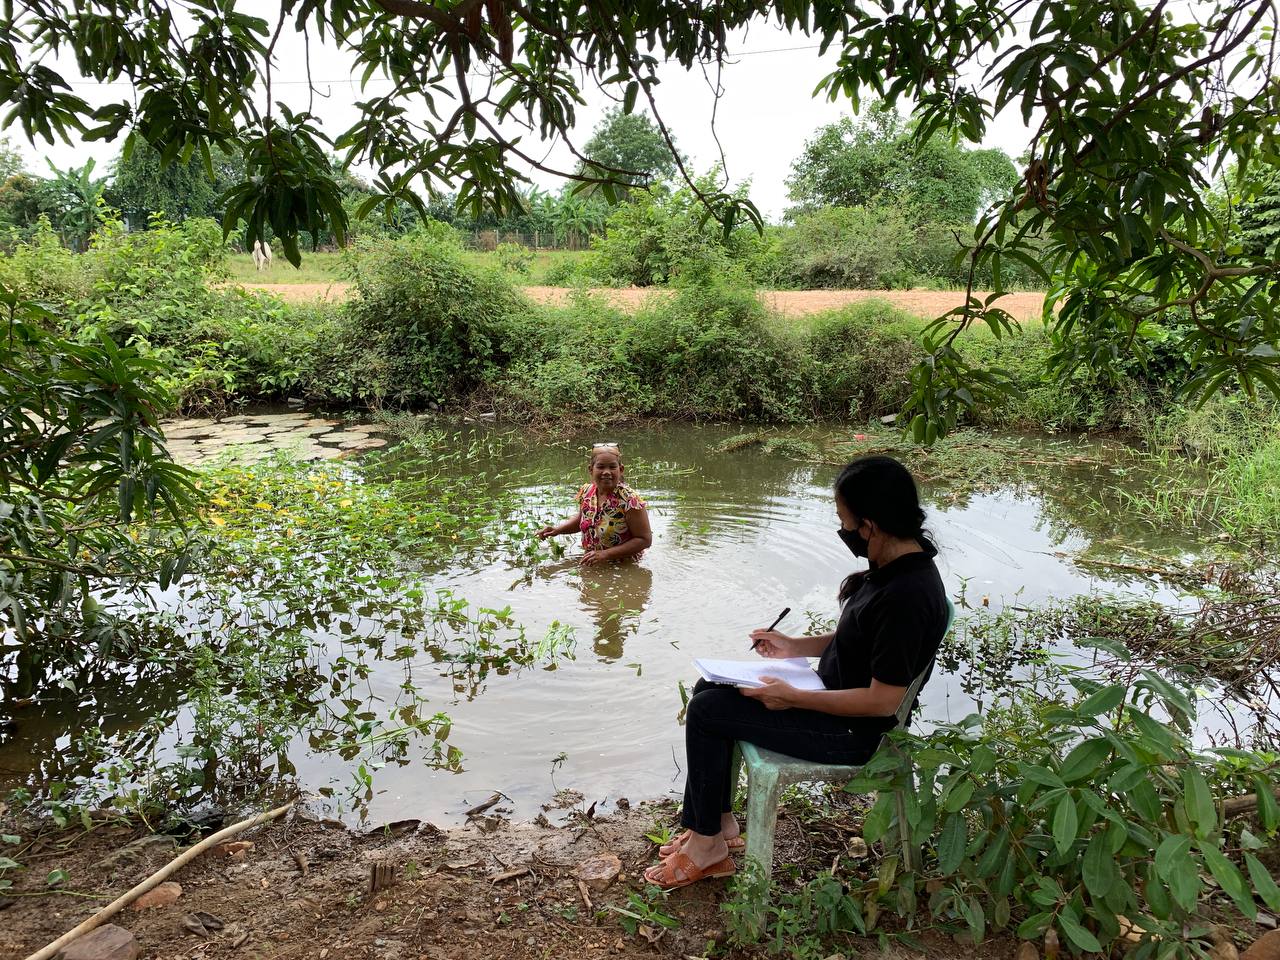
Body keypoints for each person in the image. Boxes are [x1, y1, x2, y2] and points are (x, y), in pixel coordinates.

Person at [643, 455, 949, 890]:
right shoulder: (893, 566)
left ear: (871, 525)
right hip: (832, 701)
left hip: (855, 734)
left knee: (709, 711)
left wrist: (792, 696)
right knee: (708, 685)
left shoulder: (908, 596)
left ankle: (707, 846)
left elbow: (883, 701)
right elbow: (859, 638)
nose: (843, 531)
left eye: (845, 521)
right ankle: (716, 825)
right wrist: (795, 646)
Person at [538, 442, 653, 565]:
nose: (607, 472)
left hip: (625, 565)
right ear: (591, 470)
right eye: (601, 467)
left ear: (621, 470)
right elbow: (582, 520)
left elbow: (644, 540)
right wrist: (557, 530)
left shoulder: (630, 501)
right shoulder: (587, 492)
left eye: (612, 467)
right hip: (593, 561)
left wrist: (606, 554)